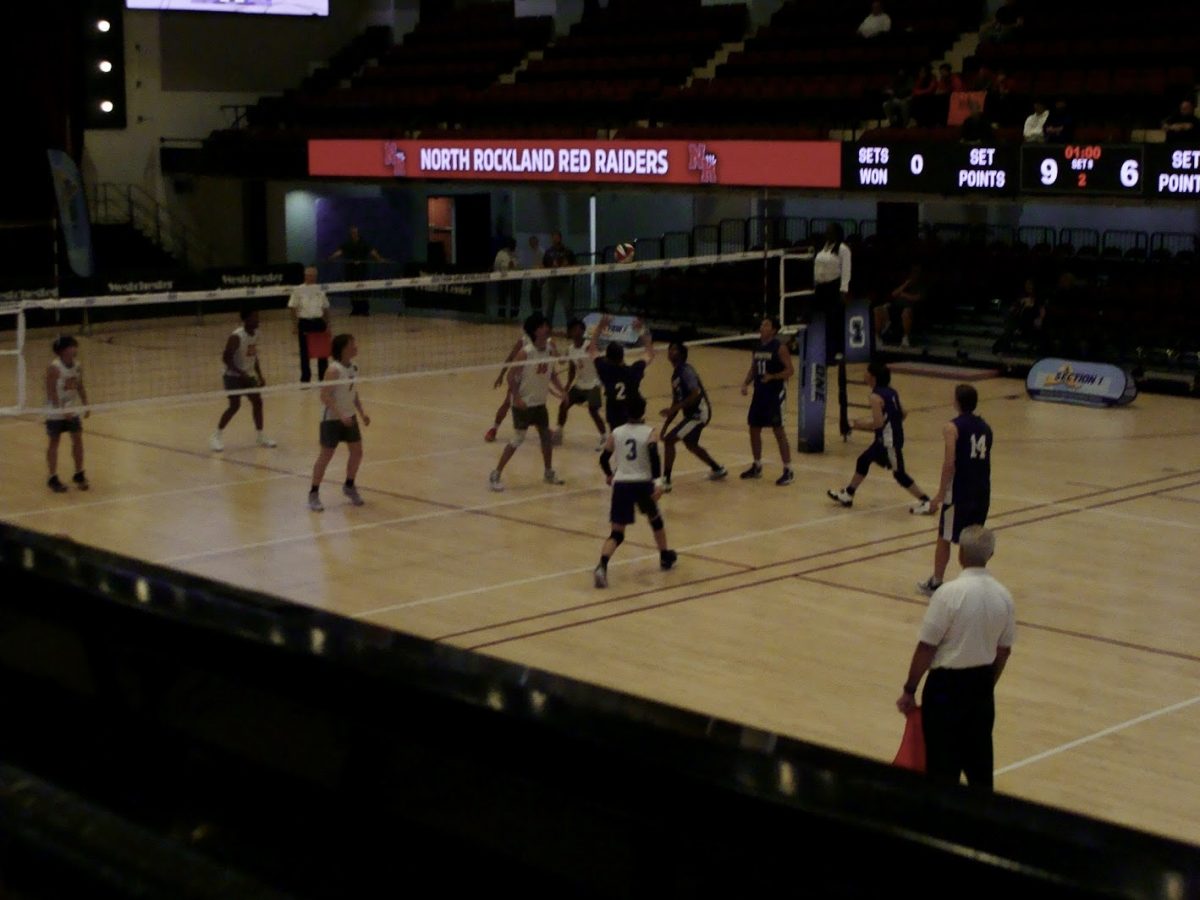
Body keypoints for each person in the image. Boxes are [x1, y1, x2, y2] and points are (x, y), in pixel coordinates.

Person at [897, 525, 1015, 790]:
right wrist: (988, 684)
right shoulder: (1004, 597)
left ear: (960, 554)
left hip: (945, 689)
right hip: (982, 685)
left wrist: (909, 689)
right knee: (980, 768)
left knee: (941, 768)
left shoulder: (948, 594)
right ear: (991, 554)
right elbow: (1004, 650)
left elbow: (926, 647)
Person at [594, 394, 677, 588]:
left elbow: (604, 459)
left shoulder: (617, 432)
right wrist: (659, 483)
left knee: (617, 534)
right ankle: (664, 555)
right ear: (643, 412)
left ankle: (602, 566)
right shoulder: (650, 432)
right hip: (642, 483)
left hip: (622, 483)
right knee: (655, 519)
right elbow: (654, 457)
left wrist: (609, 475)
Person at [918, 384, 994, 596]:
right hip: (982, 490)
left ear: (957, 401)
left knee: (944, 536)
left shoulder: (952, 427)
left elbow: (949, 462)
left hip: (960, 490)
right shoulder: (986, 428)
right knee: (973, 540)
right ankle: (976, 584)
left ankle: (936, 581)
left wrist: (941, 493)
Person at [826, 362, 932, 513]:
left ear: (872, 377)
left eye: (866, 372)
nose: (864, 374)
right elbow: (903, 413)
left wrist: (855, 425)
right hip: (886, 439)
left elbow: (877, 424)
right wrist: (892, 422)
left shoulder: (875, 396)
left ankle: (925, 501)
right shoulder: (892, 392)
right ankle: (848, 494)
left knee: (899, 473)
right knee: (863, 460)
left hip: (888, 441)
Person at [489, 312, 566, 492]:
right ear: (535, 331)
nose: (547, 329)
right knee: (518, 438)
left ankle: (548, 472)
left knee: (546, 439)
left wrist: (562, 391)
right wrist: (516, 397)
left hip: (540, 403)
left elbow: (552, 373)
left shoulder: (548, 349)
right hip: (524, 404)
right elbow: (511, 376)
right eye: (543, 326)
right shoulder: (526, 353)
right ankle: (495, 474)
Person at [309, 334, 370, 511]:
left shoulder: (354, 367)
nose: (356, 347)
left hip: (349, 416)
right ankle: (313, 493)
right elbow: (324, 396)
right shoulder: (333, 370)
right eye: (352, 344)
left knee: (357, 452)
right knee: (326, 456)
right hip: (332, 419)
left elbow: (353, 392)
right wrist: (340, 415)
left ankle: (349, 486)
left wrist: (362, 412)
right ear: (343, 348)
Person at [659, 341, 726, 492]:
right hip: (691, 415)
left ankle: (666, 480)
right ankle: (717, 469)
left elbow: (695, 393)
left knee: (670, 441)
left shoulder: (686, 371)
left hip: (699, 414)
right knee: (691, 445)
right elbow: (675, 403)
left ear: (682, 354)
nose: (670, 352)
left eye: (674, 349)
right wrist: (665, 426)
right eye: (669, 349)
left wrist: (674, 409)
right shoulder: (675, 375)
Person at [209, 308, 276, 452]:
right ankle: (216, 436)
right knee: (234, 406)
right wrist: (240, 373)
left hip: (248, 374)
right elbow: (226, 359)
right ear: (246, 320)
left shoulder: (257, 333)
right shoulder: (236, 337)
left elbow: (253, 355)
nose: (258, 320)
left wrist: (259, 374)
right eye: (254, 317)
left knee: (257, 402)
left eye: (258, 316)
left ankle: (260, 435)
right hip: (232, 375)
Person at [740, 316, 795, 486]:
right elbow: (754, 367)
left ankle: (788, 469)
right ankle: (757, 466)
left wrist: (773, 376)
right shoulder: (757, 346)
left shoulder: (780, 348)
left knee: (778, 431)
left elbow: (790, 371)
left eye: (766, 324)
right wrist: (746, 382)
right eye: (762, 324)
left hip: (774, 394)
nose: (762, 327)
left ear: (773, 330)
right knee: (754, 428)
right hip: (759, 393)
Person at [590, 314, 655, 432]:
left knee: (617, 443)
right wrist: (641, 331)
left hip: (614, 416)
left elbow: (592, 351)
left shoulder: (605, 370)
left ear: (608, 358)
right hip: (632, 415)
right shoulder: (633, 370)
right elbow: (650, 354)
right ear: (622, 356)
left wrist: (600, 327)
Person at [553, 318, 607, 450]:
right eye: (575, 329)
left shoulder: (589, 345)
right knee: (563, 405)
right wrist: (566, 387)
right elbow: (570, 369)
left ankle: (604, 437)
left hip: (594, 383)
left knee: (593, 410)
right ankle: (559, 432)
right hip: (580, 384)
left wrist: (605, 382)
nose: (578, 331)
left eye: (580, 329)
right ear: (570, 332)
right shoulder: (570, 349)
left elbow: (602, 363)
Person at [44, 336, 89, 493]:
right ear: (63, 350)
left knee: (77, 439)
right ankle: (52, 477)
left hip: (71, 409)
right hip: (55, 411)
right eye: (71, 346)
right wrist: (62, 411)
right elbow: (50, 392)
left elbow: (80, 386)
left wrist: (86, 404)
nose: (74, 349)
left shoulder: (77, 366)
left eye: (75, 346)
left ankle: (79, 473)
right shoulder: (54, 368)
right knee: (54, 442)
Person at [812, 222, 852, 361]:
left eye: (829, 231)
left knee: (835, 320)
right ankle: (823, 349)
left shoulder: (843, 249)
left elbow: (846, 270)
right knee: (820, 319)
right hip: (821, 287)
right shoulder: (823, 248)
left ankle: (838, 351)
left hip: (834, 288)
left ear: (836, 233)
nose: (826, 233)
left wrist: (844, 290)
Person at [328, 225, 386, 316]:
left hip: (362, 270)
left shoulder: (364, 243)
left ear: (358, 233)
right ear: (350, 234)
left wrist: (379, 259)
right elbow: (340, 251)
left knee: (363, 289)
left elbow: (372, 251)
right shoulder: (347, 244)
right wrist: (332, 257)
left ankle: (365, 310)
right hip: (350, 270)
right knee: (352, 290)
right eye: (352, 233)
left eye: (355, 232)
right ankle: (355, 309)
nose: (353, 234)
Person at [288, 265, 331, 384]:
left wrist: (328, 324)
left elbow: (326, 308)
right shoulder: (298, 289)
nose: (312, 277)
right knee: (304, 352)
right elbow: (292, 307)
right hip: (304, 322)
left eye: (314, 275)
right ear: (305, 275)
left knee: (322, 352)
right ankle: (305, 378)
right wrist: (295, 324)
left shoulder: (320, 289)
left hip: (318, 322)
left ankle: (323, 378)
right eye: (309, 275)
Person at [874, 264, 926, 348]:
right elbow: (894, 294)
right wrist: (906, 284)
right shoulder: (903, 283)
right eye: (912, 272)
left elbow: (916, 298)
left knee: (906, 312)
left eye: (916, 272)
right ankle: (877, 337)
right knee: (878, 310)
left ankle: (905, 338)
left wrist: (902, 295)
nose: (914, 274)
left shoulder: (921, 286)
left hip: (910, 309)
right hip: (895, 308)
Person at [541, 231, 576, 330]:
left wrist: (567, 266)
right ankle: (547, 327)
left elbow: (574, 265)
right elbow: (544, 265)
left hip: (564, 281)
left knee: (567, 305)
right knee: (549, 307)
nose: (555, 239)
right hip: (551, 281)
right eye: (553, 237)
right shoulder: (548, 252)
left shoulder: (567, 251)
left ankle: (571, 328)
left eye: (557, 237)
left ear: (560, 238)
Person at [494, 237, 521, 320]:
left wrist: (515, 266)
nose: (512, 247)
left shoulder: (517, 253)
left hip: (515, 279)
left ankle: (514, 315)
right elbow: (496, 266)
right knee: (502, 297)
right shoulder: (501, 254)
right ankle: (501, 314)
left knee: (515, 298)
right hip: (503, 279)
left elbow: (521, 265)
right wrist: (505, 268)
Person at [524, 234, 544, 315]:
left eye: (532, 242)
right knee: (533, 298)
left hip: (539, 279)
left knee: (538, 298)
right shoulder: (531, 252)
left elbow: (543, 265)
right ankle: (535, 314)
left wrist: (541, 280)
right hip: (533, 278)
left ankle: (539, 315)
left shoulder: (541, 252)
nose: (530, 244)